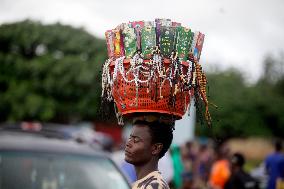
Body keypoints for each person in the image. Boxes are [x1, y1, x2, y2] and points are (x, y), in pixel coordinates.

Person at [125, 117, 174, 189]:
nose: (128, 143)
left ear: (156, 148)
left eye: (136, 139)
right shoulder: (143, 183)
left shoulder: (155, 185)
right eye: (130, 138)